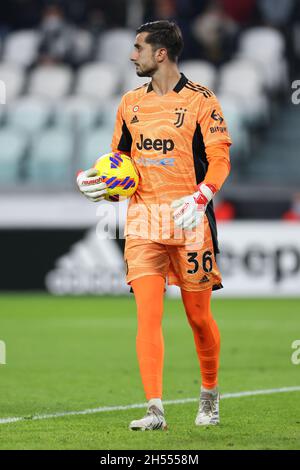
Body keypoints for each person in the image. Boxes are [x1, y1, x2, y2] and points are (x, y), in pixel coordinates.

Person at [77, 20, 232, 430]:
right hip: (144, 221)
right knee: (147, 316)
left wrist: (201, 196)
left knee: (198, 318)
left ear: (159, 53)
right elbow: (120, 166)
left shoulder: (202, 101)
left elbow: (220, 159)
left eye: (138, 48)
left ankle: (210, 394)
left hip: (190, 221)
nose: (132, 55)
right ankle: (155, 409)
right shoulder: (129, 103)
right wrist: (101, 187)